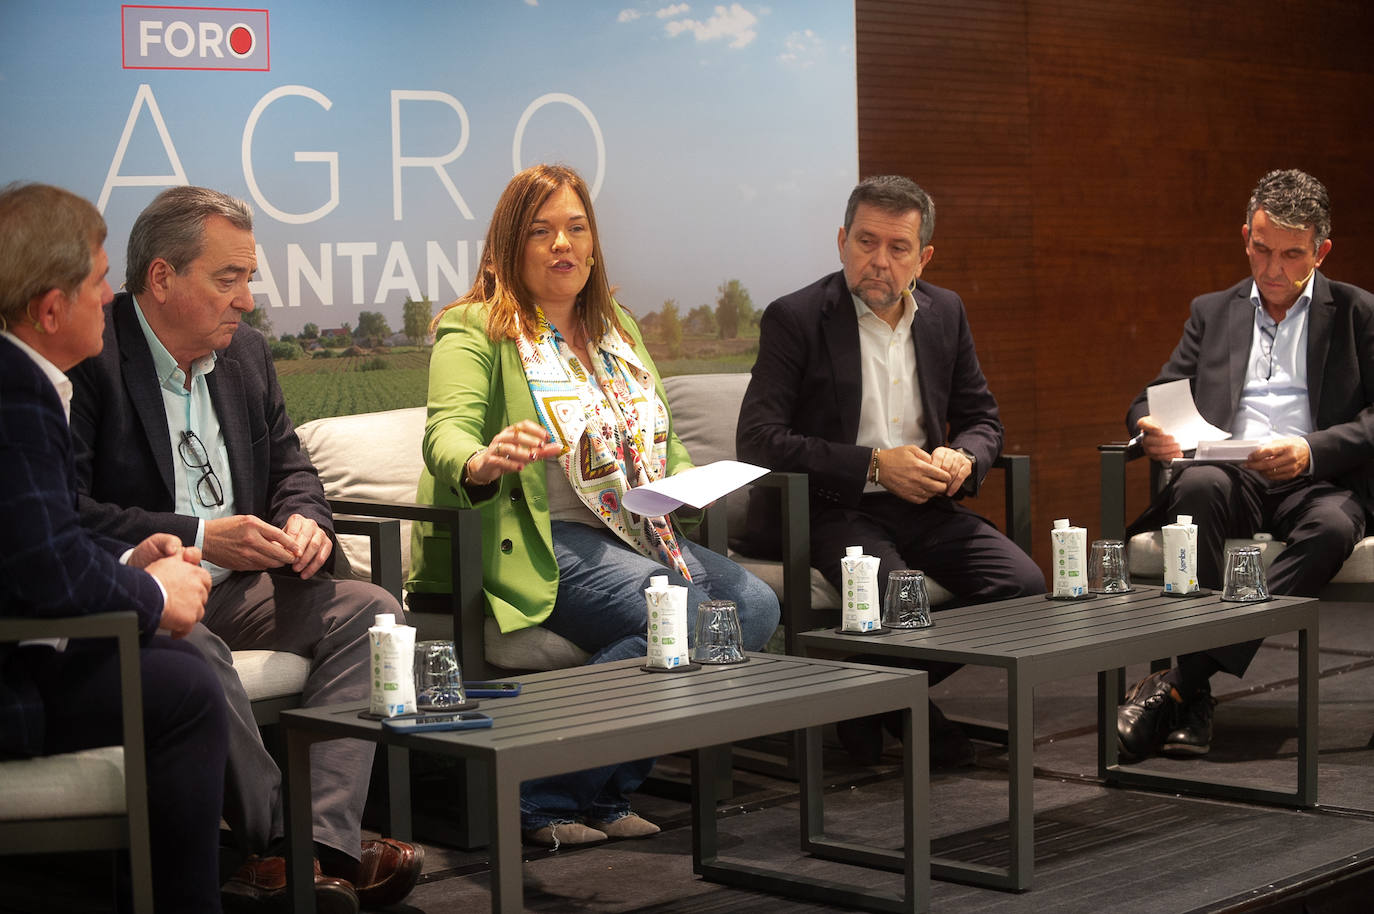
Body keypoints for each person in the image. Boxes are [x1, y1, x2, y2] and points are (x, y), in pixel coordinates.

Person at [67, 186, 422, 913]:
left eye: (248, 278)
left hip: (244, 585)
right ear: (161, 279)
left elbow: (294, 467)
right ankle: (284, 848)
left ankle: (316, 846)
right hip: (152, 594)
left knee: (373, 612)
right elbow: (70, 511)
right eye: (228, 279)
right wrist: (199, 535)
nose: (248, 300)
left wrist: (304, 521)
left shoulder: (248, 356)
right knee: (194, 652)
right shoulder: (92, 355)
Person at [408, 164, 780, 848]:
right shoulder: (476, 328)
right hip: (536, 537)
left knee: (753, 606)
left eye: (576, 228)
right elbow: (446, 433)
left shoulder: (618, 331)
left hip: (636, 530)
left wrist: (689, 484)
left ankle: (602, 790)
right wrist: (481, 460)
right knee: (680, 608)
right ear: (509, 246)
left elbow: (661, 444)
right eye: (542, 231)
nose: (563, 245)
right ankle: (535, 796)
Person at [736, 174, 1045, 767]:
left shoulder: (945, 312)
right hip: (829, 507)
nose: (878, 261)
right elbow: (759, 438)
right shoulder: (795, 317)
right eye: (865, 242)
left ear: (923, 256)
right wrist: (875, 466)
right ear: (841, 241)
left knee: (1024, 589)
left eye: (897, 248)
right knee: (902, 600)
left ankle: (868, 694)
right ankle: (913, 716)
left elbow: (982, 419)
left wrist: (966, 456)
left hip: (926, 504)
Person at [0, 182, 228, 912]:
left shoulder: (23, 381)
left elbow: (39, 534)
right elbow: (44, 571)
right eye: (98, 280)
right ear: (49, 309)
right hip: (12, 678)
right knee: (186, 686)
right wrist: (158, 595)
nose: (110, 296)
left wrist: (129, 561)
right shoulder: (16, 393)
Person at [1116, 168, 1374, 760]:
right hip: (1231, 474)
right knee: (1198, 489)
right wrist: (1146, 429)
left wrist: (1312, 449)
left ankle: (1185, 685)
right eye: (1261, 249)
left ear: (1322, 251)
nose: (1272, 269)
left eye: (1291, 254)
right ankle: (1193, 688)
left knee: (1334, 527)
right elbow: (1152, 399)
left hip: (1319, 477)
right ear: (1245, 236)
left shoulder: (1359, 313)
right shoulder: (1214, 311)